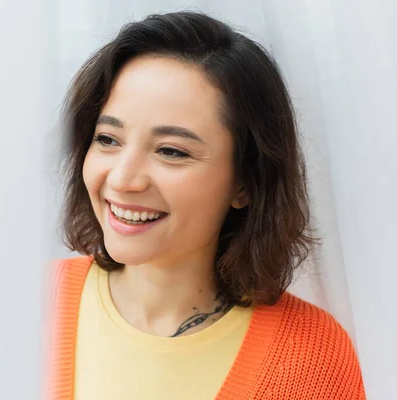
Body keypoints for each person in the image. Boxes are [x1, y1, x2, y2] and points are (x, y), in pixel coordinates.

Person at [45, 11, 366, 400]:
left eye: (171, 151)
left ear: (245, 182)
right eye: (108, 139)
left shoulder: (312, 360)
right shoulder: (28, 304)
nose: (123, 179)